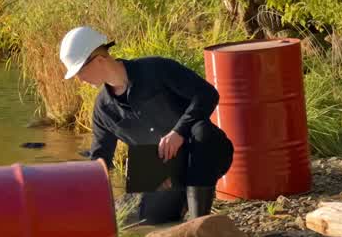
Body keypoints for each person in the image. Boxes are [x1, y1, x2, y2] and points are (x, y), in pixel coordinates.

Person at [59, 25, 234, 224]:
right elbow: (100, 159)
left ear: (99, 60)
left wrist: (179, 131)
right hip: (156, 172)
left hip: (202, 152)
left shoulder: (157, 69)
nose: (79, 79)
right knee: (149, 222)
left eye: (79, 71)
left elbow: (207, 94)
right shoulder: (103, 110)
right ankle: (180, 206)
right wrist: (79, 198)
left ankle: (199, 223)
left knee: (202, 131)